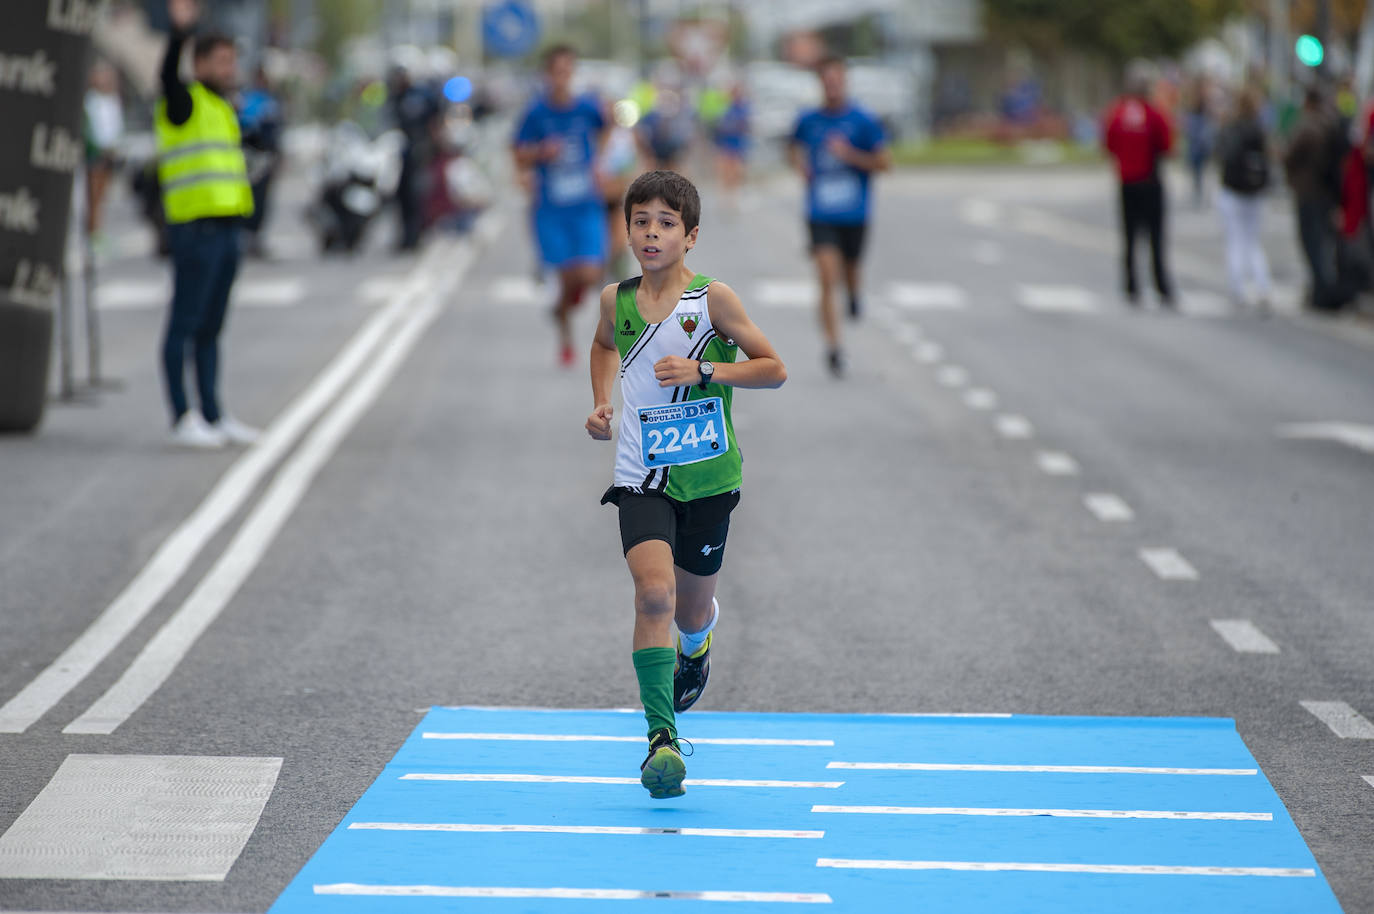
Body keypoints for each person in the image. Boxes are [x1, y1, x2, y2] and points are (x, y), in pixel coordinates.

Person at [585, 170, 786, 798]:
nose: (651, 233)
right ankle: (661, 740)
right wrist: (600, 402)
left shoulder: (712, 301)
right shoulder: (613, 302)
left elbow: (773, 369)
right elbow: (600, 347)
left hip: (709, 477)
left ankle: (695, 647)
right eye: (640, 222)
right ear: (627, 230)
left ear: (690, 236)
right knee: (653, 596)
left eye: (665, 224)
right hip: (641, 474)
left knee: (691, 610)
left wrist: (703, 369)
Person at [156, 0, 259, 448]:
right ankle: (183, 416)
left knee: (212, 327)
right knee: (185, 323)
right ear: (198, 65)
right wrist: (181, 32)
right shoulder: (183, 104)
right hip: (195, 229)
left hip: (226, 229)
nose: (229, 68)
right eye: (220, 61)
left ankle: (214, 414)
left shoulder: (222, 107)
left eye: (232, 61)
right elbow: (165, 76)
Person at [788, 56, 891, 377]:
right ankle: (833, 347)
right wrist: (800, 166)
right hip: (820, 212)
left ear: (845, 82)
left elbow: (884, 163)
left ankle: (855, 293)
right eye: (826, 80)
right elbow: (793, 147)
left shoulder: (863, 120)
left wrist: (850, 156)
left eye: (837, 80)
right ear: (820, 84)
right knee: (826, 278)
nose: (832, 86)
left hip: (855, 213)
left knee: (850, 271)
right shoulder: (809, 120)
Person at [513, 44, 608, 367]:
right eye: (557, 72)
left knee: (590, 271)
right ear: (547, 74)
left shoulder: (587, 108)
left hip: (585, 205)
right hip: (551, 210)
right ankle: (565, 330)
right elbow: (518, 152)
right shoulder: (536, 113)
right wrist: (540, 153)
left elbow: (607, 130)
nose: (562, 78)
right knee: (569, 277)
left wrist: (599, 163)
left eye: (568, 71)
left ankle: (560, 308)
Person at [1103, 63, 1175, 307]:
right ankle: (1161, 285)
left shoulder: (1118, 112)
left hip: (1127, 181)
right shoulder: (1154, 113)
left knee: (1129, 237)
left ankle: (1131, 286)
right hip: (1150, 180)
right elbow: (1166, 145)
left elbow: (1109, 144)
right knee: (1155, 237)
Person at [1284, 87, 1344, 312]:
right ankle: (1323, 288)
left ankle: (1321, 290)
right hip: (1325, 191)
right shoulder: (1330, 122)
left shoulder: (1308, 126)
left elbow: (1291, 154)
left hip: (1309, 190)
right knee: (1322, 241)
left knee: (1312, 241)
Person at [1214, 87, 1273, 313]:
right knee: (1252, 241)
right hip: (1254, 191)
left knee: (1236, 241)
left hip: (1233, 190)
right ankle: (1263, 286)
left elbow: (1220, 153)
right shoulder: (1259, 129)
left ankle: (1238, 288)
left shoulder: (1231, 128)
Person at [388, 63, 441, 252]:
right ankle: (405, 236)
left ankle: (415, 236)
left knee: (416, 195)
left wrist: (432, 146)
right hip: (398, 153)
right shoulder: (393, 95)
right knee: (400, 196)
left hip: (419, 151)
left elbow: (435, 121)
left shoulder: (422, 95)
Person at [237, 65, 283, 259]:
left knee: (262, 200)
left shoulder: (271, 101)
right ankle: (246, 236)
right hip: (250, 157)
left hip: (266, 155)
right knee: (250, 198)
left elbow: (276, 130)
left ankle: (255, 237)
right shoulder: (247, 100)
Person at [83, 61, 124, 241]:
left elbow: (115, 127)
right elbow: (90, 128)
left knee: (102, 196)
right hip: (96, 154)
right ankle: (91, 232)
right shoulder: (90, 100)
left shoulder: (113, 99)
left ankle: (97, 231)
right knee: (92, 196)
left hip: (109, 153)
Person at [711, 83, 750, 214]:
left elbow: (745, 126)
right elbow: (720, 126)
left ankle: (735, 198)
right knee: (726, 172)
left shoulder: (744, 108)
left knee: (737, 172)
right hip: (726, 144)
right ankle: (726, 199)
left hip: (738, 145)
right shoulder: (727, 109)